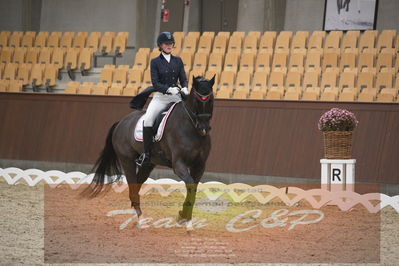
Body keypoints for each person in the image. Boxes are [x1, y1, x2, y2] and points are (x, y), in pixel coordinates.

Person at [135, 32, 188, 166]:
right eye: (166, 44)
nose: (169, 46)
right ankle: (146, 154)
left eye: (171, 44)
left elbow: (183, 78)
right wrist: (168, 89)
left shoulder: (178, 61)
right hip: (161, 97)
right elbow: (155, 83)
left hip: (176, 97)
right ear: (160, 45)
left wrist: (185, 87)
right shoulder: (155, 62)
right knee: (148, 120)